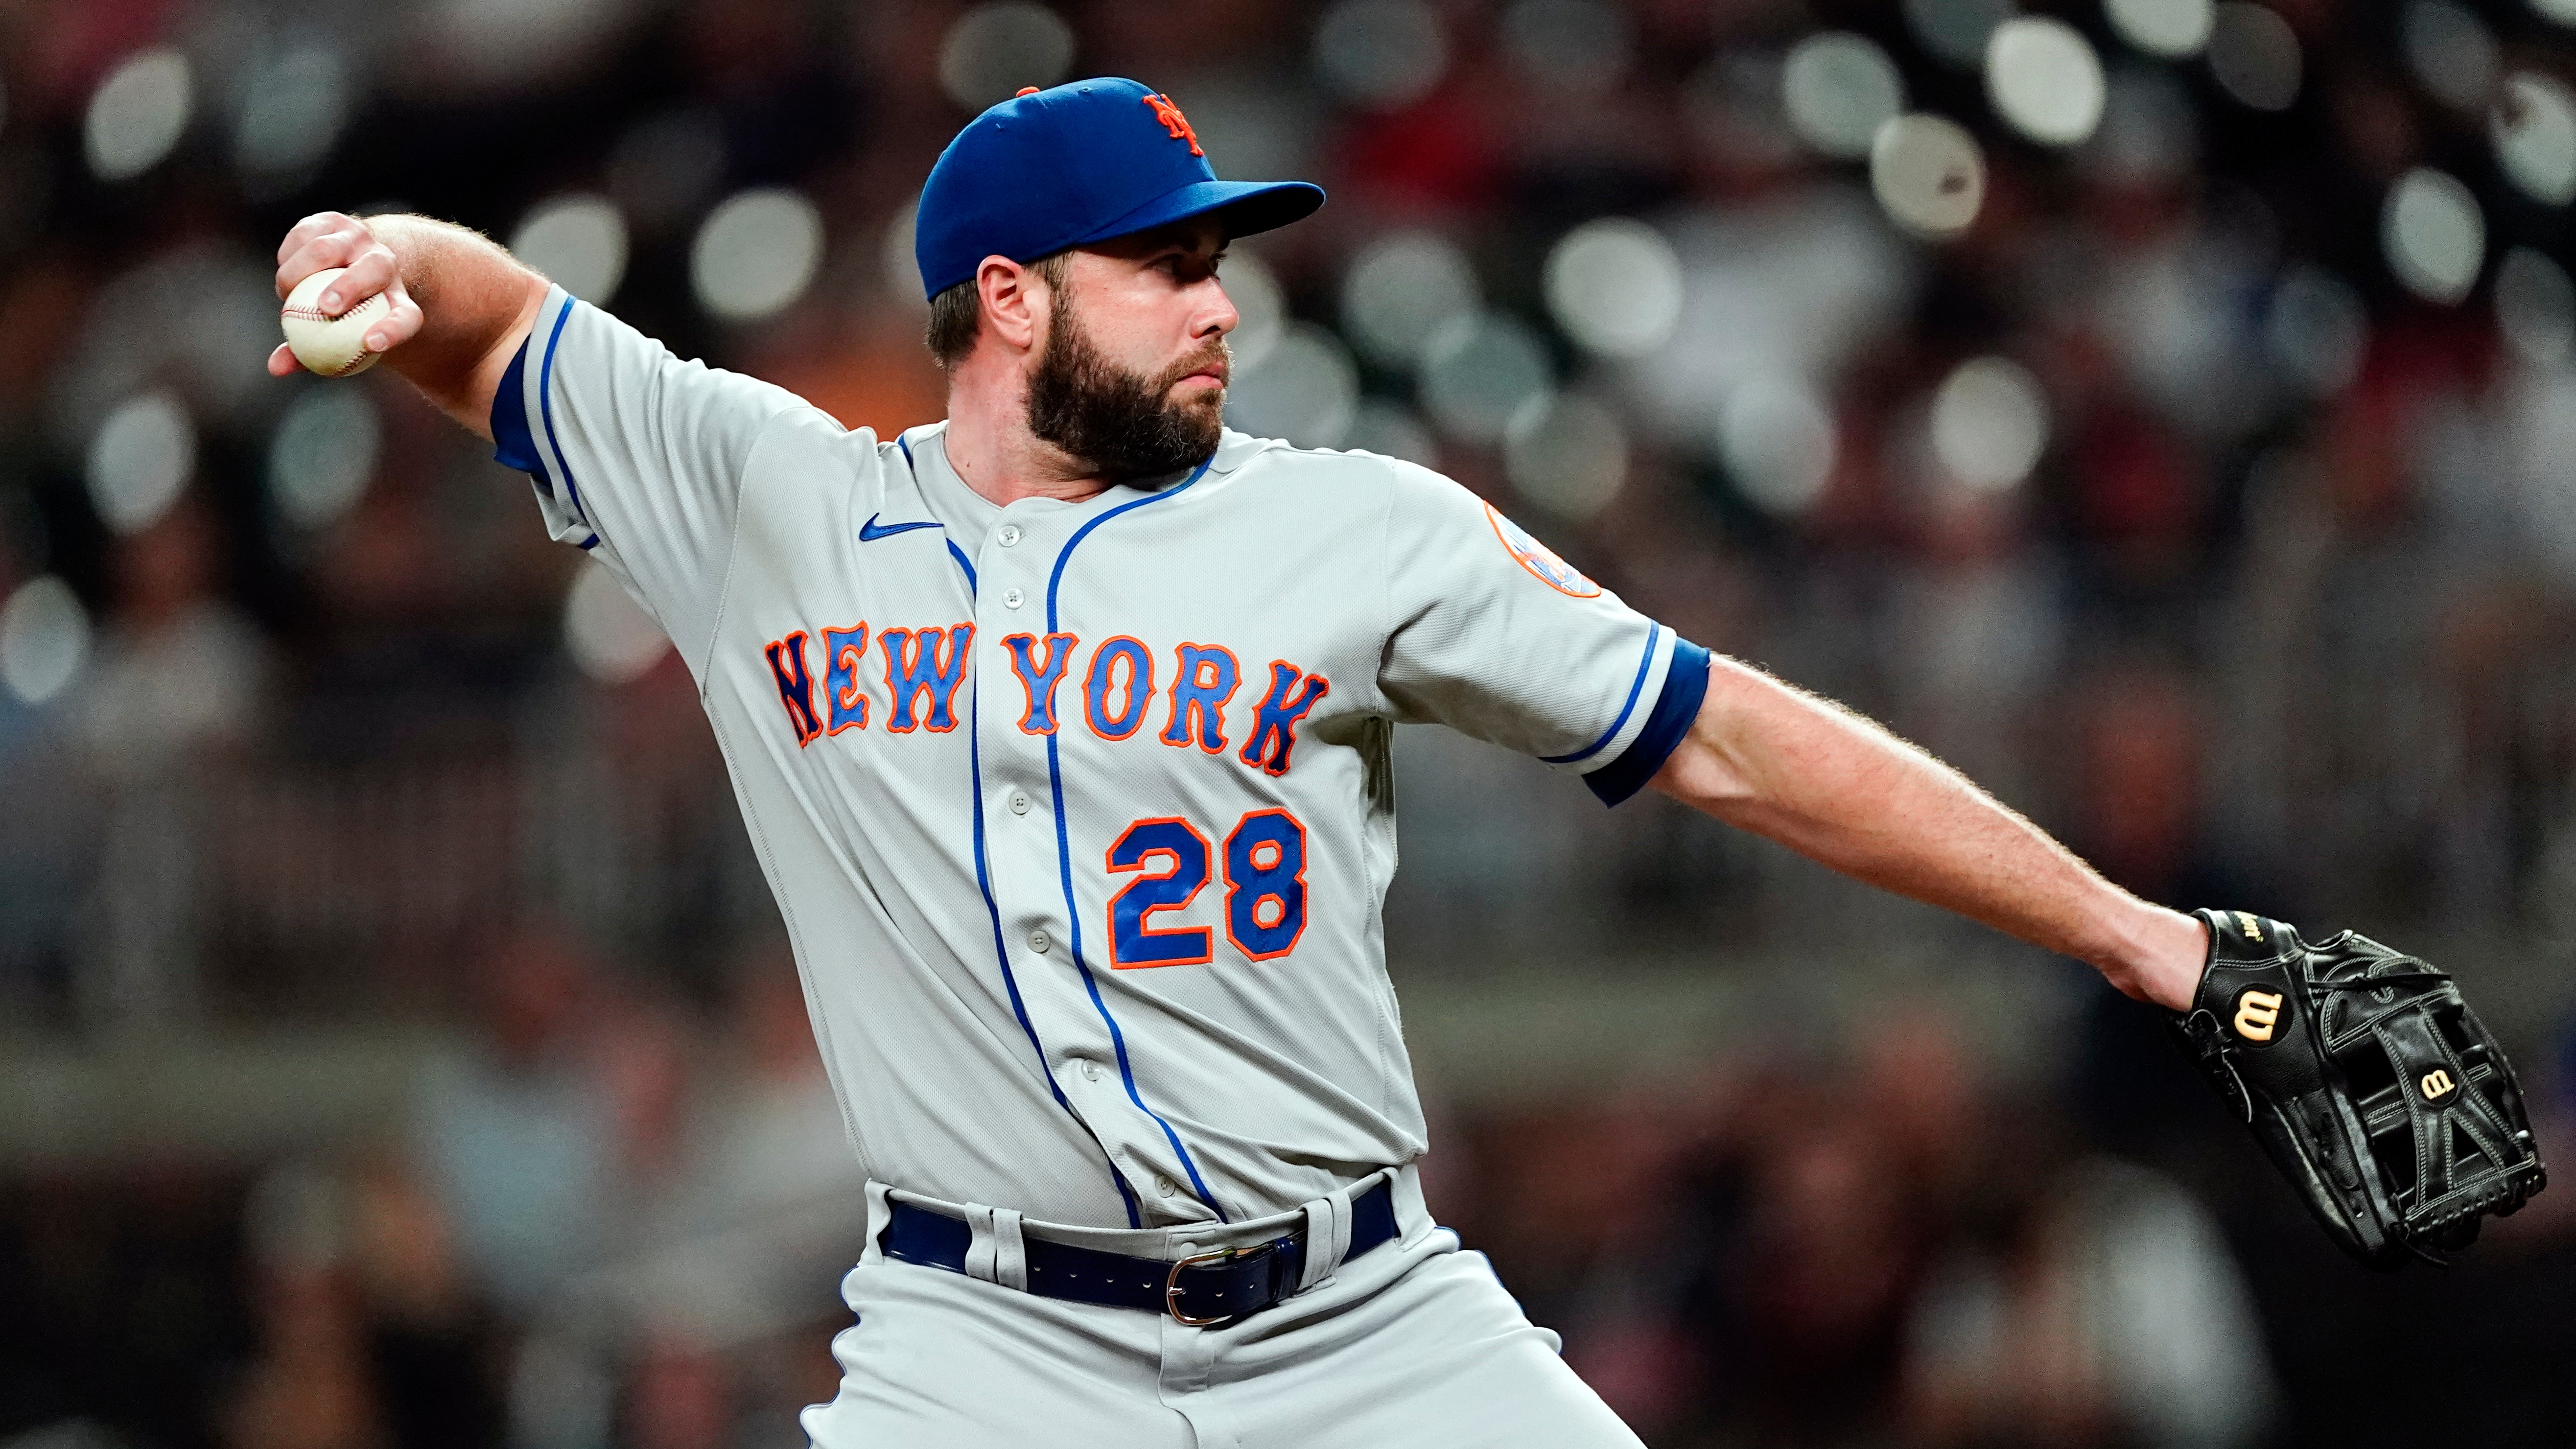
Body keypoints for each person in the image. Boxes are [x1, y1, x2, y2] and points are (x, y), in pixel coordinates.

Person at [265, 77, 2207, 1447]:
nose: (1217, 305)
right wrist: (376, 261)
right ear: (1007, 297)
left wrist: (2138, 935)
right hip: (983, 1340)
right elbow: (493, 310)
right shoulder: (765, 500)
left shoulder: (1358, 529)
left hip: (1365, 1319)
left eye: (1219, 260)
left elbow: (1728, 734)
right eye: (1161, 264)